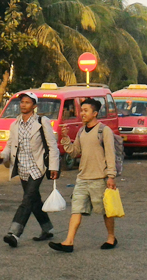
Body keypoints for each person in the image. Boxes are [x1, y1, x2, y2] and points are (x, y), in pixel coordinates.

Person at [49, 98, 117, 253]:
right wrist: (65, 139)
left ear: (95, 113)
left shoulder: (104, 131)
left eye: (86, 110)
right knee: (76, 209)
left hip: (99, 179)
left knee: (106, 210)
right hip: (82, 178)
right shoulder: (81, 131)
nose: (82, 114)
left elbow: (110, 155)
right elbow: (74, 152)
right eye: (82, 110)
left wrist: (111, 176)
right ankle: (68, 242)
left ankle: (111, 237)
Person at [0, 92, 60, 248]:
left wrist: (54, 167)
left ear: (34, 106)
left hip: (37, 167)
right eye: (22, 102)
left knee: (27, 200)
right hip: (22, 168)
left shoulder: (42, 122)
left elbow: (52, 146)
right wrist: (2, 155)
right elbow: (10, 146)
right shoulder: (15, 124)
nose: (23, 105)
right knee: (34, 200)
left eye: (27, 102)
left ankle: (14, 233)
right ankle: (47, 228)